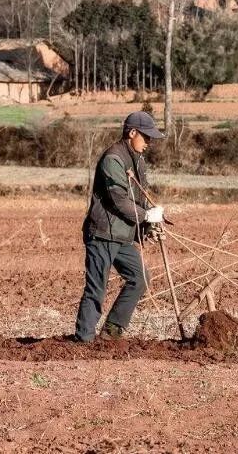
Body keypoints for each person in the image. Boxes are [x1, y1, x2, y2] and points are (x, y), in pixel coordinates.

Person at [74, 111, 165, 342]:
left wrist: (148, 227)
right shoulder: (112, 159)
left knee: (140, 278)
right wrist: (146, 216)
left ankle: (112, 331)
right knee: (97, 289)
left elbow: (138, 199)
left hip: (122, 235)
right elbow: (119, 200)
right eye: (146, 137)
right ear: (132, 133)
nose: (149, 143)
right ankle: (83, 341)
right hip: (103, 234)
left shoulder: (138, 161)